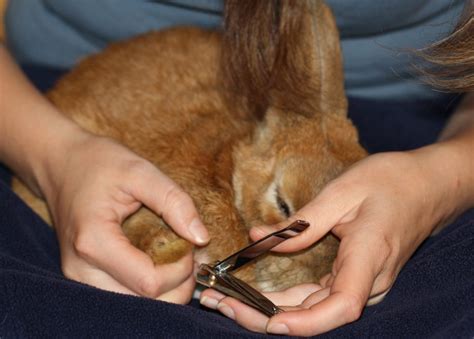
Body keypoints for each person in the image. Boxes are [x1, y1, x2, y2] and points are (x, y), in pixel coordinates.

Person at [0, 0, 472, 337]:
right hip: (36, 119)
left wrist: (439, 182)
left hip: (425, 129)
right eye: (283, 206)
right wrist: (54, 157)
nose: (276, 231)